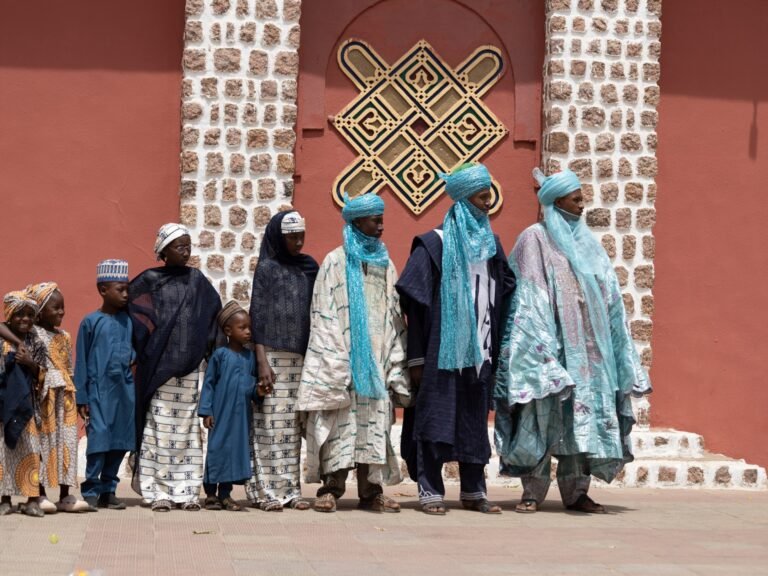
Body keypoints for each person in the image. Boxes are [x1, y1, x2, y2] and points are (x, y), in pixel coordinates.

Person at [494, 168, 651, 514]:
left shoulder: (588, 243)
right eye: (576, 198)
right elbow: (528, 294)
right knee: (541, 414)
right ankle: (533, 492)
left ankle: (577, 492)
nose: (582, 204)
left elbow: (610, 295)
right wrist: (543, 350)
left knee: (584, 420)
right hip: (550, 348)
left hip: (591, 354)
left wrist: (617, 347)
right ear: (556, 200)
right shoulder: (533, 239)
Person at [397, 163, 516, 515]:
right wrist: (417, 358)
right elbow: (414, 305)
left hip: (479, 349)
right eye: (482, 198)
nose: (487, 204)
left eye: (490, 197)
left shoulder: (491, 246)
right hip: (439, 351)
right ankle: (430, 489)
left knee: (473, 420)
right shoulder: (434, 244)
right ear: (463, 199)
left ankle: (474, 491)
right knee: (435, 418)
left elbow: (506, 292)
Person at [297, 193, 411, 513]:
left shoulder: (385, 264)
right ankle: (331, 488)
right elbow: (322, 313)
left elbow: (394, 314)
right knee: (339, 429)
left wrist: (391, 360)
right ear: (356, 221)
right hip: (342, 363)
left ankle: (371, 491)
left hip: (375, 365)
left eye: (382, 219)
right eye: (375, 220)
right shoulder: (335, 262)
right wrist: (338, 360)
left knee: (373, 428)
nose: (381, 226)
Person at [129, 223, 222, 512]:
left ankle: (187, 492)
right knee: (159, 431)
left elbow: (212, 316)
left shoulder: (198, 281)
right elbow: (133, 313)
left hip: (190, 370)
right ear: (163, 252)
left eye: (188, 244)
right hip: (158, 371)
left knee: (186, 432)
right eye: (179, 245)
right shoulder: (149, 281)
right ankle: (157, 492)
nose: (186, 249)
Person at [246, 211, 318, 511]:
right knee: (268, 426)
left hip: (302, 358)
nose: (298, 241)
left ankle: (290, 490)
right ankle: (265, 493)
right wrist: (262, 361)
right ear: (278, 236)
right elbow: (257, 316)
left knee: (292, 428)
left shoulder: (309, 267)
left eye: (301, 234)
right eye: (291, 236)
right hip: (272, 356)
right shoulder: (267, 268)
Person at [74, 261, 135, 511]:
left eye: (126, 290)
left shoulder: (127, 322)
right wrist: (82, 396)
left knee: (119, 441)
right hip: (98, 393)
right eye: (119, 290)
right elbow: (81, 361)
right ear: (102, 289)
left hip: (124, 392)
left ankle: (109, 490)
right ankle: (90, 489)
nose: (125, 295)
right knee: (98, 442)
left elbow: (131, 351)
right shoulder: (91, 322)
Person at [27, 282, 90, 513]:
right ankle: (41, 493)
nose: (61, 312)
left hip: (65, 398)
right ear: (40, 311)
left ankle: (65, 495)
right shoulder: (31, 334)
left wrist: (79, 398)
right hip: (43, 397)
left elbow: (69, 368)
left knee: (67, 443)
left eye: (63, 307)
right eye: (56, 308)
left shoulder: (64, 335)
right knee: (43, 445)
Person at [199, 301, 266, 512]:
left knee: (233, 452)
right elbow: (208, 384)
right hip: (220, 414)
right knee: (217, 450)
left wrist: (259, 392)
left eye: (249, 327)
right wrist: (206, 411)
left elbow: (251, 386)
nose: (248, 332)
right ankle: (210, 493)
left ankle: (226, 494)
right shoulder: (219, 355)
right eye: (242, 327)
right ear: (228, 331)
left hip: (240, 417)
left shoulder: (250, 357)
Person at [0, 290, 48, 517]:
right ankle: (5, 499)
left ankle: (31, 500)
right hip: (3, 404)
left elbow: (44, 374)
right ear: (9, 315)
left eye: (30, 314)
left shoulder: (37, 341)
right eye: (19, 314)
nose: (25, 319)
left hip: (29, 406)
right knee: (4, 453)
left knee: (30, 451)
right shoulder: (2, 340)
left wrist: (30, 363)